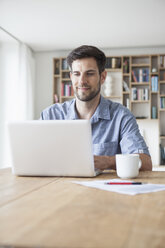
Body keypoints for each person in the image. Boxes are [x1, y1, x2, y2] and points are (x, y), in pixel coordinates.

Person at [41, 45, 152, 171]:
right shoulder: (50, 116)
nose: (82, 81)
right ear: (71, 77)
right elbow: (34, 156)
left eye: (89, 74)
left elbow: (145, 163)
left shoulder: (122, 116)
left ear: (103, 77)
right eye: (77, 74)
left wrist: (109, 161)